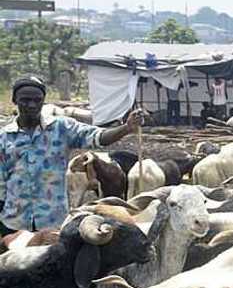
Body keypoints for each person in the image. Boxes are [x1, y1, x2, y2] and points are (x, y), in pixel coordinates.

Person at [0, 76, 143, 233]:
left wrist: (126, 128)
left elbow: (98, 137)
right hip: (14, 223)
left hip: (53, 223)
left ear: (43, 100)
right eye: (25, 100)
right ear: (15, 100)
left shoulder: (61, 127)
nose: (32, 105)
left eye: (37, 100)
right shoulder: (4, 137)